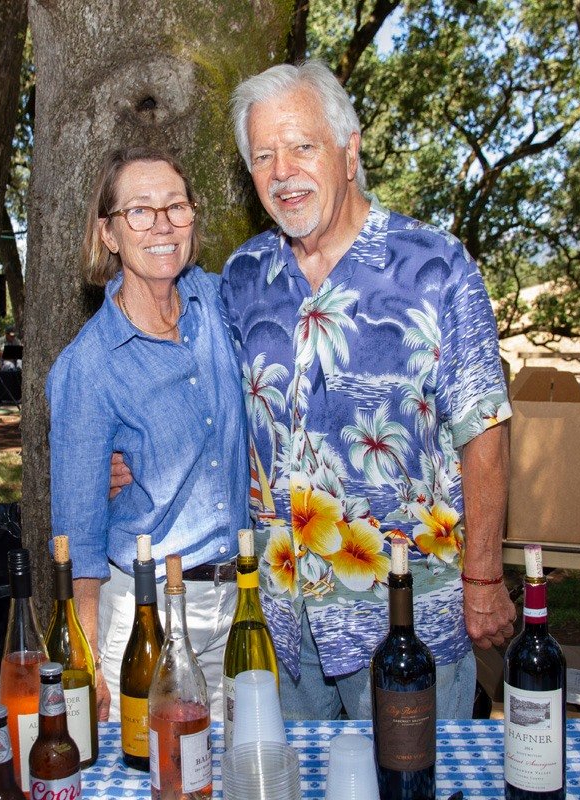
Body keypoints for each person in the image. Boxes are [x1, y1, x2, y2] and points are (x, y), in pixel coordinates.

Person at [220, 60, 515, 721]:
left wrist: (486, 577)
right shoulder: (242, 278)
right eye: (263, 155)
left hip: (410, 622)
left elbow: (485, 436)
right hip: (280, 627)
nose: (282, 172)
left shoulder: (436, 267)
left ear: (349, 151)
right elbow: (210, 406)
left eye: (302, 146)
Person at [46, 147, 248, 724]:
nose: (161, 225)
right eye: (139, 210)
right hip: (147, 622)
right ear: (108, 233)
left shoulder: (218, 302)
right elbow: (78, 538)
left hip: (242, 609)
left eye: (175, 206)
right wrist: (83, 661)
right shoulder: (88, 368)